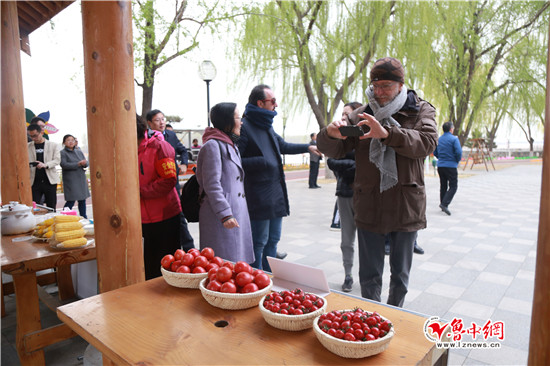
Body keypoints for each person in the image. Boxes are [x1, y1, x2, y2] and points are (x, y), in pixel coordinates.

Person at [317, 57, 438, 307]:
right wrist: (329, 134)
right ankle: (371, 319)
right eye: (376, 86)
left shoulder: (421, 109)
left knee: (400, 275)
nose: (380, 92)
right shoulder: (361, 113)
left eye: (386, 86)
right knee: (369, 275)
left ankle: (395, 316)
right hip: (369, 201)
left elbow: (426, 143)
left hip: (406, 202)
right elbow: (336, 150)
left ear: (401, 84)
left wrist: (387, 134)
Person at [238, 84, 321, 271]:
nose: (276, 105)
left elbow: (282, 145)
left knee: (273, 239)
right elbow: (234, 161)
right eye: (272, 101)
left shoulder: (266, 126)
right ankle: (255, 281)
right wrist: (261, 161)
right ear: (260, 103)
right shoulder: (245, 127)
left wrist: (308, 147)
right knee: (259, 242)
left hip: (276, 193)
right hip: (258, 195)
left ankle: (269, 281)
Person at [196, 103, 254, 263]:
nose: (241, 122)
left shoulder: (230, 144)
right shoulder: (212, 146)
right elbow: (211, 185)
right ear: (226, 121)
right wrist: (225, 214)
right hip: (221, 215)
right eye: (238, 117)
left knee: (236, 263)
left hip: (236, 212)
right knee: (222, 264)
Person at [137, 115, 181, 280]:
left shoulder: (160, 147)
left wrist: (140, 192)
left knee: (167, 265)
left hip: (164, 215)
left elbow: (169, 180)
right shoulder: (127, 150)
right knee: (149, 265)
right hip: (141, 218)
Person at [146, 109, 195, 251]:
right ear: (149, 123)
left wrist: (184, 163)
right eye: (157, 120)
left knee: (179, 215)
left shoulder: (171, 135)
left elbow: (183, 150)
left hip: (172, 183)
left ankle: (189, 247)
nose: (161, 122)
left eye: (163, 119)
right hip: (157, 185)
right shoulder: (148, 140)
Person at [326, 101, 362, 292]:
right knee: (346, 240)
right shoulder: (339, 138)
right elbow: (331, 162)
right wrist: (353, 166)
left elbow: (369, 165)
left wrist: (348, 165)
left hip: (366, 196)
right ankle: (348, 275)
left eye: (346, 114)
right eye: (342, 114)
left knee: (367, 240)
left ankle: (367, 275)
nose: (342, 118)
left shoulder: (365, 137)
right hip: (345, 194)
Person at [27, 124, 60, 210]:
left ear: (41, 132)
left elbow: (57, 160)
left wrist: (45, 165)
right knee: (34, 207)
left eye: (35, 135)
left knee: (51, 206)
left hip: (49, 180)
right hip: (34, 181)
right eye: (31, 136)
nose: (33, 138)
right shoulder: (27, 146)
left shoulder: (53, 145)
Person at [434, 121, 462, 216]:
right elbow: (458, 152)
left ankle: (442, 203)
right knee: (453, 186)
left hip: (441, 165)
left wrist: (440, 159)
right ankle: (444, 204)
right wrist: (456, 161)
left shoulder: (439, 139)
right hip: (451, 166)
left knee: (443, 185)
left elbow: (435, 152)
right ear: (451, 129)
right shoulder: (454, 139)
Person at [60, 134, 90, 218]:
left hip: (80, 178)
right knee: (71, 200)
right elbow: (64, 165)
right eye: (68, 140)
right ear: (64, 142)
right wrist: (78, 164)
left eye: (72, 140)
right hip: (70, 179)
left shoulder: (79, 151)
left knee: (82, 200)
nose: (71, 142)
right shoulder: (62, 153)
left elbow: (86, 163)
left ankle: (84, 217)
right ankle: (64, 216)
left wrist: (84, 163)